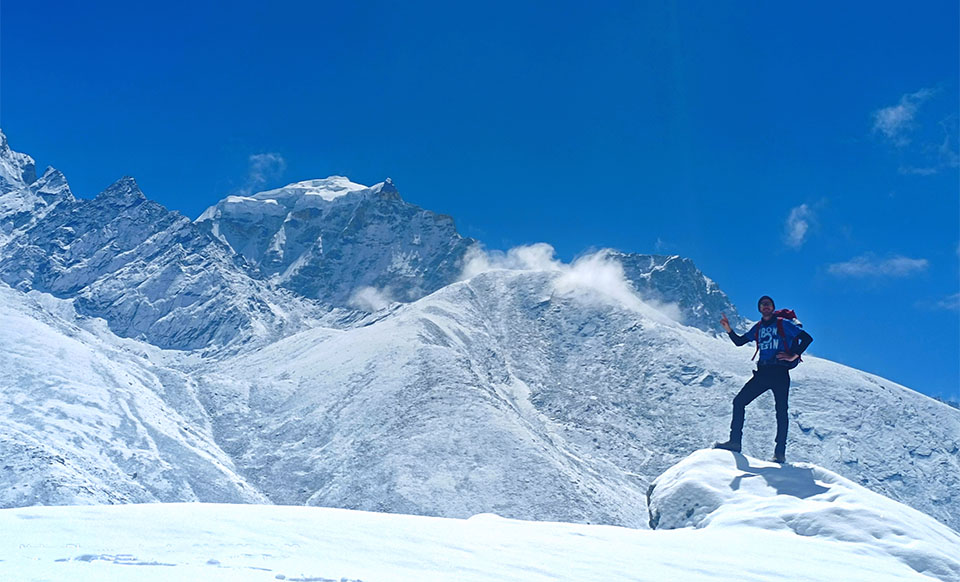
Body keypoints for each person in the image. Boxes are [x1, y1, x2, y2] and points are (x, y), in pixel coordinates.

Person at [714, 295, 813, 463]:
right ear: (759, 308)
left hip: (780, 372)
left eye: (768, 304)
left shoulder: (783, 323)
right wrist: (728, 329)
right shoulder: (758, 328)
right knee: (739, 401)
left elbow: (807, 338)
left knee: (781, 412)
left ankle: (779, 453)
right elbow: (739, 342)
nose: (765, 306)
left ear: (773, 308)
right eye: (762, 304)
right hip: (763, 372)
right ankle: (735, 442)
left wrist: (793, 355)